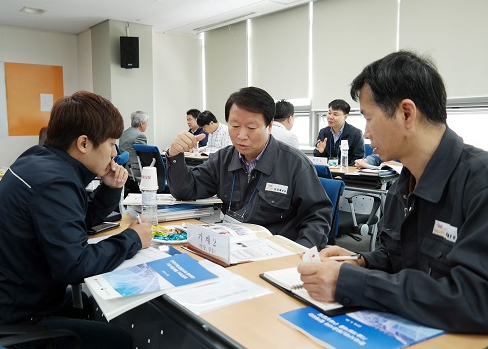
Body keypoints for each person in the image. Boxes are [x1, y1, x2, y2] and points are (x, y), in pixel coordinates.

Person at [298, 51, 488, 333]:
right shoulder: (405, 181)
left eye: (369, 118)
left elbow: (476, 300)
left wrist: (350, 282)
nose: (365, 133)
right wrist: (360, 261)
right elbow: (399, 255)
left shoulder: (479, 184)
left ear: (406, 113)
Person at [0, 91, 153, 347]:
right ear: (84, 143)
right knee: (118, 340)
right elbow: (75, 266)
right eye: (110, 144)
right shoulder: (56, 181)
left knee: (84, 303)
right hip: (11, 313)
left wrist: (108, 188)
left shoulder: (37, 158)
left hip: (8, 291)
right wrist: (132, 238)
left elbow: (75, 221)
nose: (113, 153)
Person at [166, 87, 332, 249]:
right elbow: (186, 190)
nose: (241, 135)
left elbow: (316, 217)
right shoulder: (223, 159)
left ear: (270, 125)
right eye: (235, 126)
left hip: (274, 254)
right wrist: (175, 156)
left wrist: (299, 256)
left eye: (251, 128)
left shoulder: (295, 164)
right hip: (232, 247)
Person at [313, 99, 364, 166]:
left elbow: (358, 159)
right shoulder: (323, 132)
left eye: (335, 114)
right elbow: (318, 159)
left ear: (345, 117)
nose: (330, 117)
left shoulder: (355, 133)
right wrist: (321, 152)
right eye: (329, 113)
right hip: (328, 173)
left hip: (346, 174)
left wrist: (343, 173)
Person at [119, 110, 148, 194]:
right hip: (135, 172)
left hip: (124, 168)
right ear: (142, 124)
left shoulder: (124, 133)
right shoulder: (140, 136)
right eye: (146, 122)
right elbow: (144, 156)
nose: (147, 125)